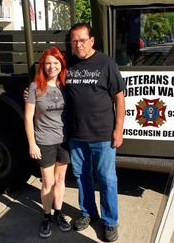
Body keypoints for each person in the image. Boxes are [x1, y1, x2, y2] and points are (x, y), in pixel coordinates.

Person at [66, 23, 125, 242]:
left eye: (82, 40)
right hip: (77, 134)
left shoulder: (106, 63)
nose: (78, 44)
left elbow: (119, 99)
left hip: (102, 134)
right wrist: (30, 92)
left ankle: (110, 222)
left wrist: (118, 130)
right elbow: (49, 82)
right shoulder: (67, 63)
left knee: (107, 179)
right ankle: (88, 213)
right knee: (82, 177)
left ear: (92, 40)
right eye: (74, 40)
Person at [24, 46, 71, 238]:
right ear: (43, 65)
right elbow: (28, 118)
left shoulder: (66, 85)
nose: (52, 67)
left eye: (56, 63)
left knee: (60, 180)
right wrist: (32, 143)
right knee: (47, 182)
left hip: (65, 140)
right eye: (48, 63)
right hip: (44, 140)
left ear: (62, 65)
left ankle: (58, 214)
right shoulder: (35, 87)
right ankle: (47, 216)